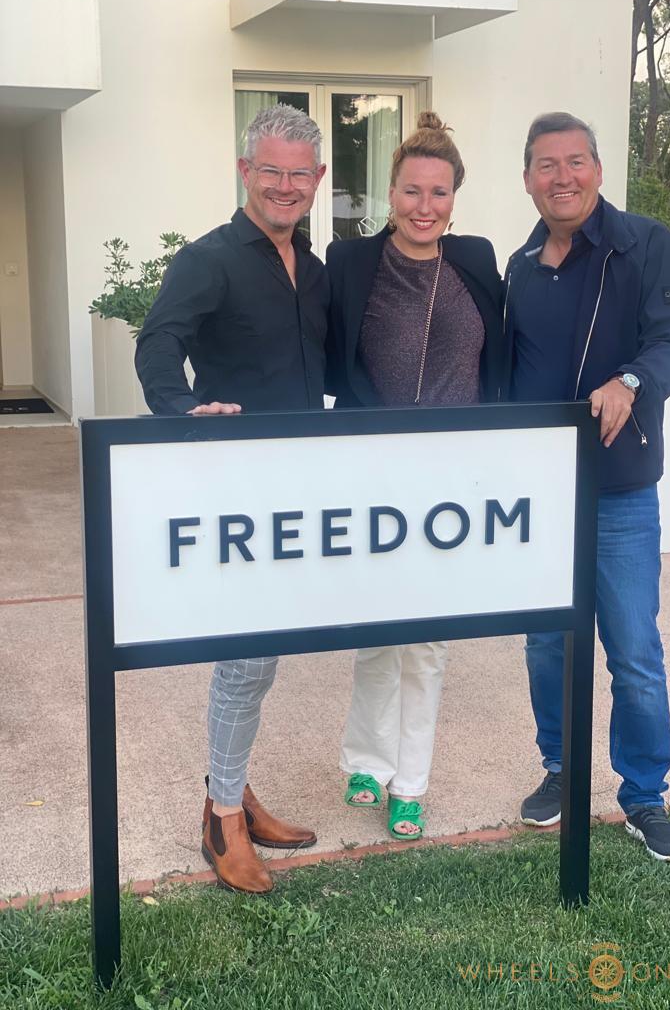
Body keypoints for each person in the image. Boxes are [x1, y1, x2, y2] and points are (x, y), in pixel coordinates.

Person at [135, 104, 329, 893]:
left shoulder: (313, 266)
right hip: (236, 490)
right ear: (245, 171)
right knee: (245, 660)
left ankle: (235, 788)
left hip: (299, 488)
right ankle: (222, 819)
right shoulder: (208, 259)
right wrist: (183, 412)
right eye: (270, 170)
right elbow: (158, 342)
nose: (285, 186)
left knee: (263, 656)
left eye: (299, 174)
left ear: (318, 179)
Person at [503, 112, 670, 861]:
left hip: (620, 492)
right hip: (540, 495)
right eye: (547, 165)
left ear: (598, 169)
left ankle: (644, 795)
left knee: (634, 653)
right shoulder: (521, 265)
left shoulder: (644, 243)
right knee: (546, 646)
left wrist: (630, 381)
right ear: (527, 179)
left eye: (575, 161)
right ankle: (560, 768)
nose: (563, 177)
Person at [325, 111, 503, 841]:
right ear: (390, 191)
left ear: (455, 196)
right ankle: (365, 759)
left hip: (452, 480)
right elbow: (328, 358)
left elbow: (501, 361)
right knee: (376, 629)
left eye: (439, 192)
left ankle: (411, 783)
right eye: (411, 190)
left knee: (427, 640)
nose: (423, 206)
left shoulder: (478, 260)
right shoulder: (349, 262)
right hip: (376, 472)